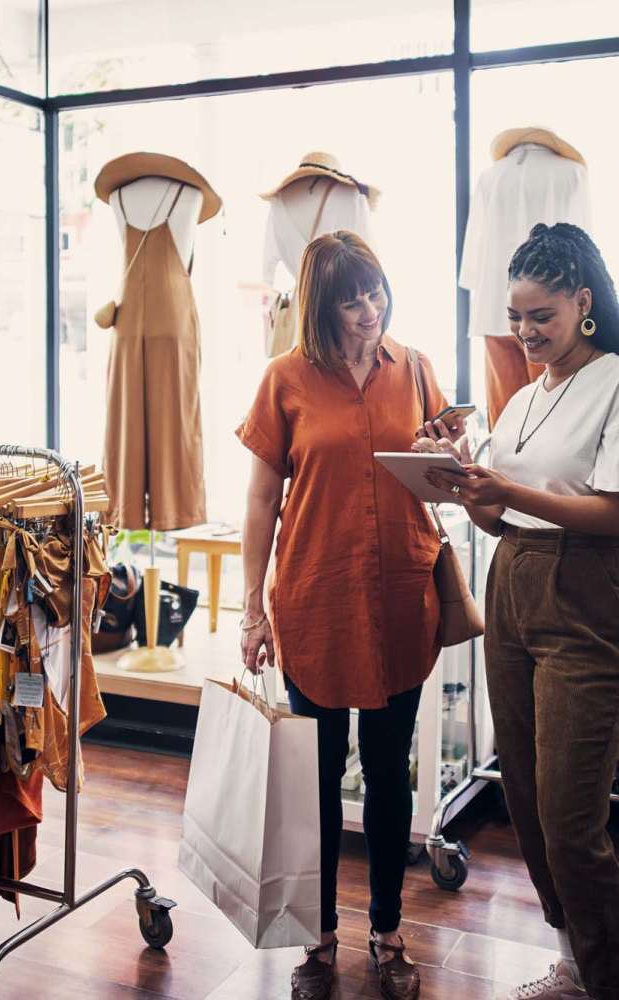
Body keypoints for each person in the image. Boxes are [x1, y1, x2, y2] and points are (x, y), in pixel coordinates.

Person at [427, 223, 619, 1000]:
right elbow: (502, 519)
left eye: (542, 316)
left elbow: (615, 512)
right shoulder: (526, 398)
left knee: (571, 816)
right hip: (514, 584)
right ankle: (572, 960)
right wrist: (464, 483)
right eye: (516, 317)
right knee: (528, 801)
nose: (527, 332)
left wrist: (510, 494)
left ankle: (608, 985)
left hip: (592, 594)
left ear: (582, 301)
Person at [237, 230, 448, 1000]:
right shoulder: (284, 379)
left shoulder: (417, 368)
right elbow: (262, 502)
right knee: (318, 776)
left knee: (390, 772)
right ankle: (318, 936)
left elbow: (439, 477)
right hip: (316, 598)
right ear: (321, 307)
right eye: (350, 299)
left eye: (375, 291)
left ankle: (388, 930)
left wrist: (447, 453)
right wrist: (251, 609)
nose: (368, 310)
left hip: (400, 594)